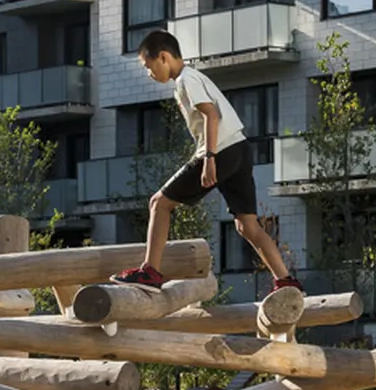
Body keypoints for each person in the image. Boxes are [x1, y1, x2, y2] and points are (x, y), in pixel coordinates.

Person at [114, 29, 301, 295]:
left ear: (164, 57)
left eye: (148, 66)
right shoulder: (194, 76)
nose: (149, 73)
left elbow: (210, 115)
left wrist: (209, 158)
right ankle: (286, 281)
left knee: (159, 203)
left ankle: (150, 271)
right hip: (239, 148)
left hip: (220, 151)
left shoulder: (186, 80)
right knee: (247, 225)